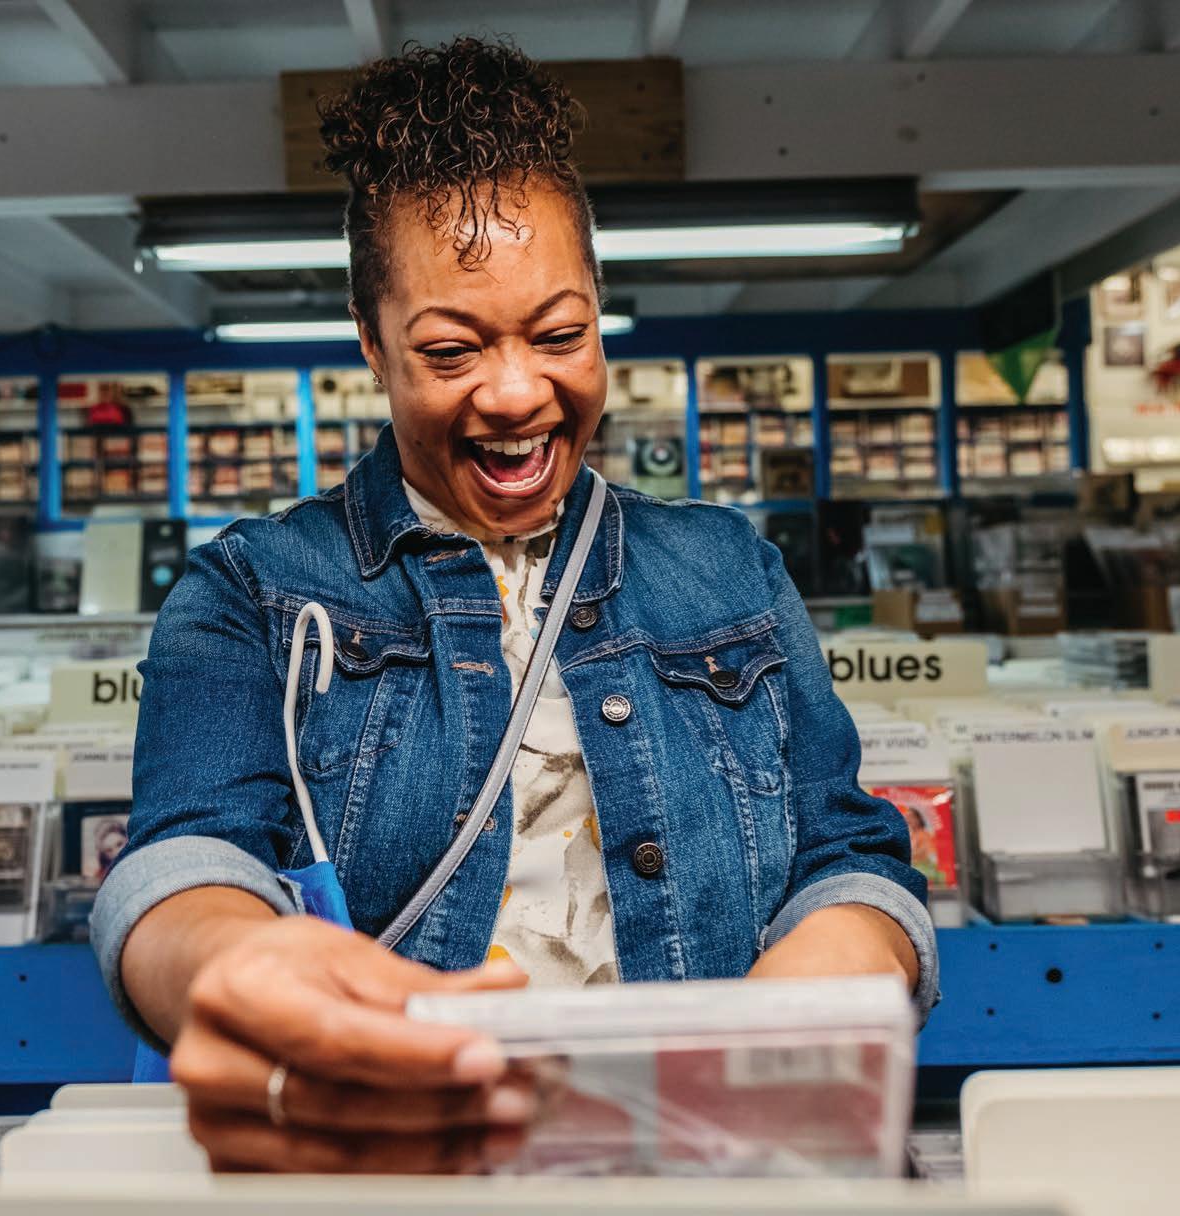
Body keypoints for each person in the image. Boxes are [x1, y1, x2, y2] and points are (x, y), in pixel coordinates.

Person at [90, 36, 939, 1175]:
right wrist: (233, 967)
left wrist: (822, 978)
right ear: (373, 344)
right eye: (451, 350)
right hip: (397, 1172)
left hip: (710, 1170)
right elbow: (185, 864)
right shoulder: (252, 589)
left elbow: (848, 853)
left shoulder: (730, 570)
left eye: (560, 335)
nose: (514, 392)